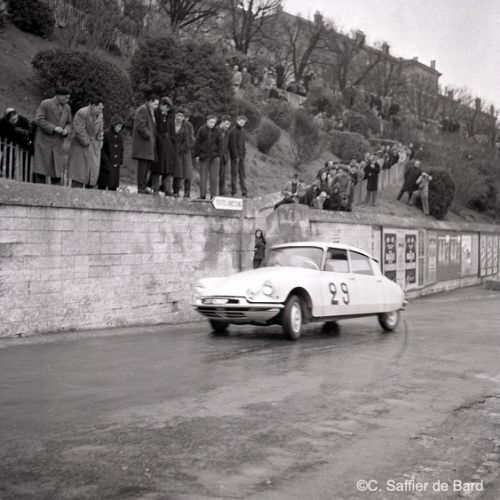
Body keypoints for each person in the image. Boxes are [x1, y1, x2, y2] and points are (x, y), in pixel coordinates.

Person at [32, 87, 72, 185]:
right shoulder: (45, 104)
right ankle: (38, 191)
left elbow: (69, 123)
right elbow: (39, 120)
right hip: (44, 142)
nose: (67, 100)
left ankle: (56, 193)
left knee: (57, 172)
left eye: (68, 98)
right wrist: (54, 128)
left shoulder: (67, 108)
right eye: (65, 97)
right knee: (41, 171)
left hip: (58, 143)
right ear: (58, 95)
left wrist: (66, 130)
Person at [68, 95, 104, 188]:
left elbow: (100, 130)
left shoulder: (100, 115)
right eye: (99, 108)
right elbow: (79, 130)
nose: (100, 111)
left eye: (102, 109)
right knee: (79, 174)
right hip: (81, 147)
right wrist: (87, 142)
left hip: (94, 147)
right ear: (93, 105)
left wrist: (100, 142)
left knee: (92, 176)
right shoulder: (82, 113)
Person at [132, 93, 159, 194]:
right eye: (155, 104)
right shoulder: (143, 109)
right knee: (142, 167)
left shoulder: (150, 111)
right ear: (150, 101)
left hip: (148, 145)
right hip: (143, 144)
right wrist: (149, 136)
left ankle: (143, 186)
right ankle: (140, 187)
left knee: (146, 167)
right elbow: (140, 125)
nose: (157, 106)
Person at [194, 114, 223, 200]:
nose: (212, 124)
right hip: (203, 156)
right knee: (203, 177)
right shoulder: (202, 129)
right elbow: (197, 142)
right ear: (207, 121)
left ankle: (213, 196)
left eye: (214, 122)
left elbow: (221, 144)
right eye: (211, 122)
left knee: (214, 178)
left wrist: (218, 155)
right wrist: (197, 155)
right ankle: (202, 195)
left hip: (214, 157)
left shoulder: (218, 131)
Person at [0, 108, 33, 178]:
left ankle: (25, 176)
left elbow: (31, 131)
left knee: (25, 158)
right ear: (8, 119)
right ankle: (7, 174)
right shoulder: (3, 121)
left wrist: (21, 131)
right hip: (8, 140)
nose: (14, 121)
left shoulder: (24, 120)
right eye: (12, 120)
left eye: (15, 119)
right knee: (7, 157)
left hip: (22, 140)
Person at [153, 96, 175, 195]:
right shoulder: (155, 114)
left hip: (168, 145)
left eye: (169, 108)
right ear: (162, 105)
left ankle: (167, 189)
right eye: (167, 107)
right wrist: (159, 138)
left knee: (167, 168)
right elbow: (154, 129)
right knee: (156, 168)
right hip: (158, 144)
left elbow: (172, 131)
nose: (168, 109)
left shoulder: (170, 116)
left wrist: (172, 141)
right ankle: (155, 189)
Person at [97, 115, 124, 191]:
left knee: (113, 187)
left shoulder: (120, 137)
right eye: (118, 126)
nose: (120, 128)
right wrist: (106, 160)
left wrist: (120, 160)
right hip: (105, 165)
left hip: (116, 165)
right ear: (114, 125)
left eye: (121, 127)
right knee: (102, 186)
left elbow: (121, 149)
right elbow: (101, 148)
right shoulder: (106, 134)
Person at [172, 108, 194, 198]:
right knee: (177, 172)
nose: (181, 118)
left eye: (183, 116)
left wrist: (186, 147)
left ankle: (187, 192)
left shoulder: (188, 126)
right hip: (176, 151)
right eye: (179, 115)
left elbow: (191, 139)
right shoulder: (173, 124)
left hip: (185, 151)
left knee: (187, 172)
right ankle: (176, 190)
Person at [228, 115, 248, 198]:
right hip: (235, 157)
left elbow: (243, 144)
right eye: (241, 122)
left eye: (243, 122)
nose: (242, 123)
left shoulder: (243, 131)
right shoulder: (233, 131)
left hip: (242, 157)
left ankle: (244, 192)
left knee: (242, 175)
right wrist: (236, 156)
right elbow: (232, 145)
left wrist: (243, 154)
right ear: (237, 121)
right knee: (234, 175)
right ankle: (234, 192)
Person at [218, 115, 231, 196]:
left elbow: (229, 145)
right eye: (226, 124)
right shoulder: (216, 130)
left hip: (224, 158)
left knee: (222, 176)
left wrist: (227, 155)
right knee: (215, 176)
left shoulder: (228, 133)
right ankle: (213, 193)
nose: (227, 126)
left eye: (229, 124)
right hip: (216, 157)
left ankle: (221, 193)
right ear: (222, 122)